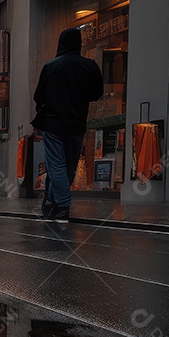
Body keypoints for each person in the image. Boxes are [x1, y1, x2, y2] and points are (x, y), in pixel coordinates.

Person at [31, 27, 104, 223]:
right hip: (77, 123)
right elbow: (96, 94)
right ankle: (52, 203)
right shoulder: (90, 66)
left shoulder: (51, 66)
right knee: (69, 166)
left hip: (53, 124)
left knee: (56, 165)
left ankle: (61, 206)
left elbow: (38, 96)